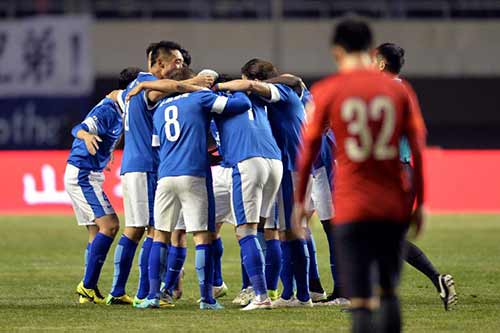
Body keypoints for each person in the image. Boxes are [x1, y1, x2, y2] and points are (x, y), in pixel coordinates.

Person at [294, 19, 426, 333]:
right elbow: (418, 149)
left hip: (352, 203)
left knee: (362, 300)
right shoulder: (399, 90)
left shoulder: (328, 90)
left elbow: (308, 151)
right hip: (392, 201)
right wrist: (422, 202)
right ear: (370, 49)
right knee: (388, 290)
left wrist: (299, 201)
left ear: (337, 51)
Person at [132, 67, 251, 309]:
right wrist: (225, 88)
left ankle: (154, 295)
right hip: (194, 173)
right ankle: (207, 298)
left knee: (160, 235)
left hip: (165, 176)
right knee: (202, 237)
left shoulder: (160, 109)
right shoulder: (201, 97)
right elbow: (238, 106)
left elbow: (157, 145)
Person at [110, 41, 203, 306]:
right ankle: (143, 293)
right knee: (153, 230)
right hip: (146, 166)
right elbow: (172, 87)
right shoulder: (150, 85)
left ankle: (119, 291)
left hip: (133, 165)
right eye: (176, 62)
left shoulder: (135, 84)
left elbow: (114, 97)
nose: (181, 66)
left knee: (137, 229)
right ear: (160, 64)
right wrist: (196, 82)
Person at [215, 60, 313, 308]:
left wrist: (220, 86)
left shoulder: (281, 91)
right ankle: (292, 294)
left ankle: (300, 295)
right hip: (288, 164)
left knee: (289, 231)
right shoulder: (287, 91)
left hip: (291, 165)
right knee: (285, 231)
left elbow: (256, 85)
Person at [374, 42, 457, 310]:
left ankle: (373, 298)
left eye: (375, 60)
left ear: (382, 64)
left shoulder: (388, 91)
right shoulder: (404, 90)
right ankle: (437, 280)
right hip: (403, 168)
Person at [65, 67, 141, 304]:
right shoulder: (109, 109)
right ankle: (87, 286)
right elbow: (80, 128)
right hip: (83, 174)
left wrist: (105, 155)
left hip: (90, 172)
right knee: (110, 225)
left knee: (96, 232)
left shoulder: (120, 109)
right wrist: (86, 136)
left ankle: (89, 291)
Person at [212, 69, 284, 310]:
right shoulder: (257, 96)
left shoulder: (221, 100)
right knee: (264, 229)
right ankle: (268, 289)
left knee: (246, 231)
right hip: (275, 162)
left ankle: (260, 295)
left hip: (247, 161)